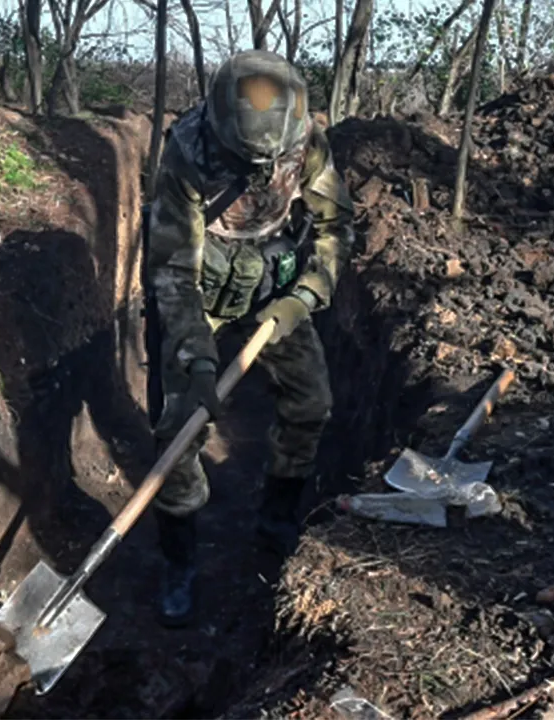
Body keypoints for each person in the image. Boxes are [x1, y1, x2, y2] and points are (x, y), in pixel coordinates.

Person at [142, 49, 354, 628]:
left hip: (272, 289)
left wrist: (304, 296)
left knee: (313, 402)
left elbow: (336, 228)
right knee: (177, 427)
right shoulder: (186, 153)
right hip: (199, 292)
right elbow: (172, 270)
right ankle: (179, 561)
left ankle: (278, 521)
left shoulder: (308, 143)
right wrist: (195, 354)